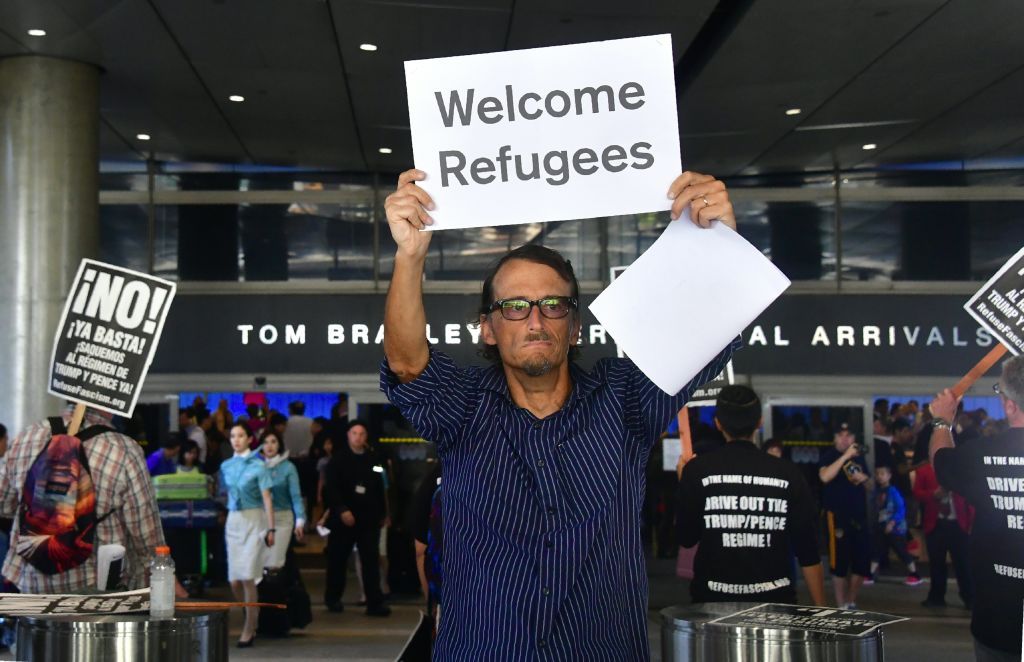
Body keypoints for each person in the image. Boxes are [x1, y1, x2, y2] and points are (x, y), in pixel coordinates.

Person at [380, 167, 738, 659]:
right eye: (513, 307)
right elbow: (406, 362)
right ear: (487, 328)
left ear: (574, 328)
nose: (533, 320)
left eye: (552, 305)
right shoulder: (462, 408)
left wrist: (718, 239)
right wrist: (410, 254)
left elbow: (710, 333)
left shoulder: (625, 399)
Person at [0, 405, 174, 593]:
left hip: (31, 583)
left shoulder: (26, 437)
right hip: (96, 586)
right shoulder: (123, 449)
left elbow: (5, 505)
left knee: (34, 624)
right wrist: (161, 572)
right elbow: (144, 531)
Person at [677, 386, 825, 606]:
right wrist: (822, 610)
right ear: (760, 422)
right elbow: (808, 550)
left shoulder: (698, 471)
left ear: (718, 423)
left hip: (711, 606)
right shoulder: (788, 473)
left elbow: (686, 538)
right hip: (775, 604)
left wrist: (685, 482)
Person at [929, 357, 1024, 661]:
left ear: (1010, 405)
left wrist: (943, 420)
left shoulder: (982, 455)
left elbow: (941, 461)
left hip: (998, 623)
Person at [322, 420, 390, 616]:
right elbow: (331, 489)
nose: (358, 437)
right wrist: (342, 509)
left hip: (368, 519)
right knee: (338, 560)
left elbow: (379, 487)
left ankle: (374, 602)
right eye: (354, 433)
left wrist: (383, 513)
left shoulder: (373, 459)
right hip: (343, 518)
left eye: (362, 433)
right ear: (348, 435)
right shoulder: (338, 460)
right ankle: (333, 598)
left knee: (370, 561)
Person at [219, 422, 276, 648]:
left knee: (248, 576)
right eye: (233, 435)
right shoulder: (226, 465)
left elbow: (267, 499)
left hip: (254, 519)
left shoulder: (259, 466)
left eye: (241, 435)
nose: (236, 439)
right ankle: (251, 616)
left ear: (250, 439)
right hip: (234, 520)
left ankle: (249, 627)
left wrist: (271, 529)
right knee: (234, 579)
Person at [818, 423, 871, 609]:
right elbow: (824, 477)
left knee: (861, 563)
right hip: (836, 517)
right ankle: (841, 604)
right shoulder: (828, 456)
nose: (845, 439)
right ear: (834, 438)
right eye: (840, 435)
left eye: (848, 435)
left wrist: (864, 479)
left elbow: (870, 486)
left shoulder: (860, 459)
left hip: (859, 516)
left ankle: (850, 600)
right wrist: (845, 457)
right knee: (839, 563)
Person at [913, 459, 974, 608]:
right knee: (936, 563)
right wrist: (933, 494)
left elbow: (971, 498)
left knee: (963, 564)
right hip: (936, 524)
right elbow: (917, 493)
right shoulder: (924, 470)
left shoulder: (963, 469)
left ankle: (970, 598)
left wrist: (971, 524)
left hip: (958, 524)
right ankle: (936, 597)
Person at [257, 430, 305, 570]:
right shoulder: (256, 467)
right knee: (259, 563)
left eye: (273, 442)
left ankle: (275, 590)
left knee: (274, 563)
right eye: (265, 442)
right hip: (260, 518)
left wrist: (300, 520)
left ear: (279, 445)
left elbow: (296, 496)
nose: (269, 446)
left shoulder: (288, 467)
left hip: (282, 518)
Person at [869, 465, 922, 585]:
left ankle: (915, 574)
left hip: (895, 528)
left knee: (901, 551)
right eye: (877, 474)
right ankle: (870, 574)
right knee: (878, 550)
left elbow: (900, 509)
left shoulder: (893, 491)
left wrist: (892, 522)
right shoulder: (877, 492)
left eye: (882, 474)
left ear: (889, 476)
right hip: (882, 526)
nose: (879, 477)